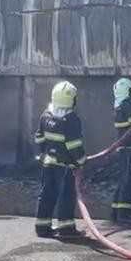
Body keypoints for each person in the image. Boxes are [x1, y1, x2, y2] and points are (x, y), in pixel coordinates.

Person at [33, 81, 86, 239]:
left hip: (48, 163)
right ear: (72, 100)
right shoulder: (71, 119)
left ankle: (42, 227)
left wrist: (44, 153)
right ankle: (66, 229)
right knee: (66, 196)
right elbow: (74, 146)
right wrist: (82, 161)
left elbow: (38, 138)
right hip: (65, 166)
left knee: (47, 195)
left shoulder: (46, 115)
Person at [110, 77, 131, 223]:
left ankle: (115, 211)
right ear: (126, 91)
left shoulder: (118, 106)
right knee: (130, 180)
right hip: (130, 148)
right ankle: (123, 213)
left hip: (124, 148)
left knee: (124, 179)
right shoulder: (127, 106)